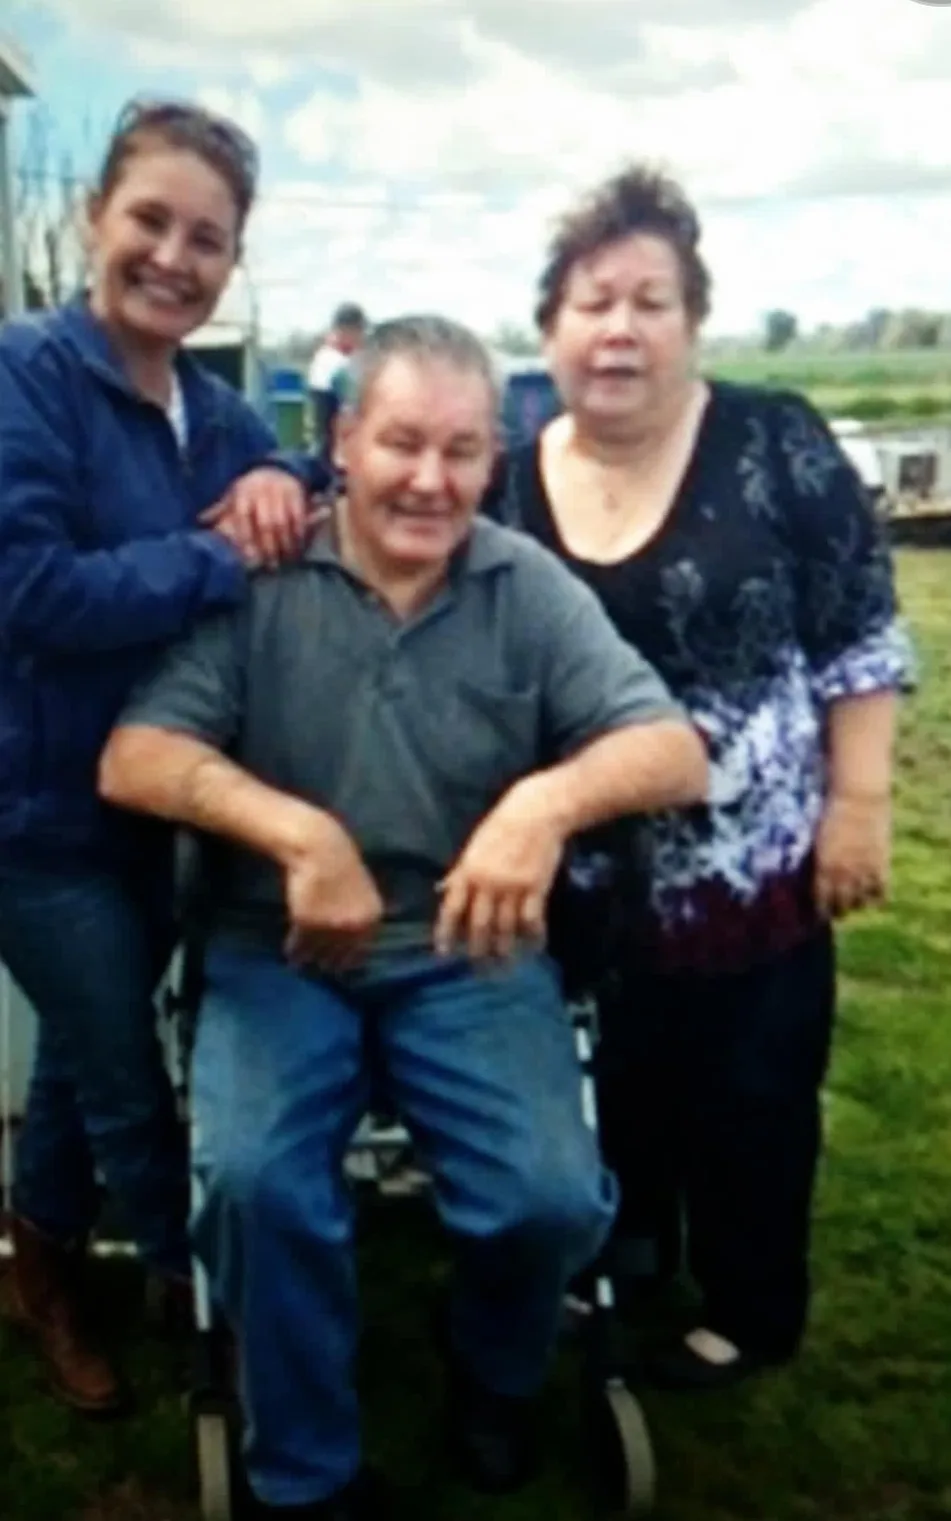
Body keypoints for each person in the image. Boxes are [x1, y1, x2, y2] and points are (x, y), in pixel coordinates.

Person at [99, 314, 708, 1517]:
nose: (431, 480)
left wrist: (543, 804)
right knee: (259, 1184)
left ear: (495, 458)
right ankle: (305, 1469)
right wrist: (298, 832)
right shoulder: (256, 582)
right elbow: (134, 755)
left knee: (545, 1196)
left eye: (463, 450)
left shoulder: (524, 586)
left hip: (464, 946)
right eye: (401, 444)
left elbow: (672, 750)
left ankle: (496, 1372)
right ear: (340, 441)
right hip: (274, 947)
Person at [486, 166, 914, 1390]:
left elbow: (862, 634)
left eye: (651, 301)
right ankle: (627, 1258)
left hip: (762, 869)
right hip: (587, 888)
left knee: (755, 1099)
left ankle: (748, 1307)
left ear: (692, 320)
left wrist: (860, 805)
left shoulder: (774, 438)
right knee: (613, 1089)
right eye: (592, 301)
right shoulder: (508, 483)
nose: (619, 328)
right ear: (551, 328)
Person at [0, 98, 321, 1414]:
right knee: (130, 1087)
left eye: (208, 238)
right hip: (40, 814)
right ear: (95, 220)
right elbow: (31, 591)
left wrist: (283, 482)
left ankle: (39, 1266)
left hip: (161, 809)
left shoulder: (209, 407)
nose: (174, 258)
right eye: (151, 221)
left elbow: (327, 475)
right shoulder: (26, 377)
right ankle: (214, 1315)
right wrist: (211, 555)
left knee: (79, 1061)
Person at [308, 301, 368, 464]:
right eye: (358, 330)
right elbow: (347, 402)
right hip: (333, 441)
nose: (361, 336)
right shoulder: (331, 360)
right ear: (344, 330)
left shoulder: (345, 357)